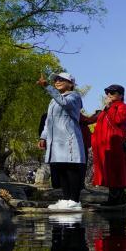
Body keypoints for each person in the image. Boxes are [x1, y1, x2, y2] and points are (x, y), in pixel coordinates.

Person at [37, 72, 86, 207]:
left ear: (70, 84)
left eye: (61, 79)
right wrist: (43, 137)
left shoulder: (74, 96)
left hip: (68, 139)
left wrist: (47, 86)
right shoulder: (53, 100)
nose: (57, 81)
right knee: (61, 168)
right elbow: (48, 121)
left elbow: (64, 103)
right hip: (56, 141)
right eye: (55, 80)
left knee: (71, 168)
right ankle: (65, 199)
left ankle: (74, 200)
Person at [82, 84, 126, 206]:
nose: (109, 94)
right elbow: (88, 120)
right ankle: (116, 197)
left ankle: (116, 198)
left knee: (115, 170)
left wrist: (109, 108)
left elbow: (118, 120)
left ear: (120, 95)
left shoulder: (123, 107)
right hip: (102, 146)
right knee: (107, 171)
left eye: (113, 92)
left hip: (114, 144)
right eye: (107, 92)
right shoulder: (105, 110)